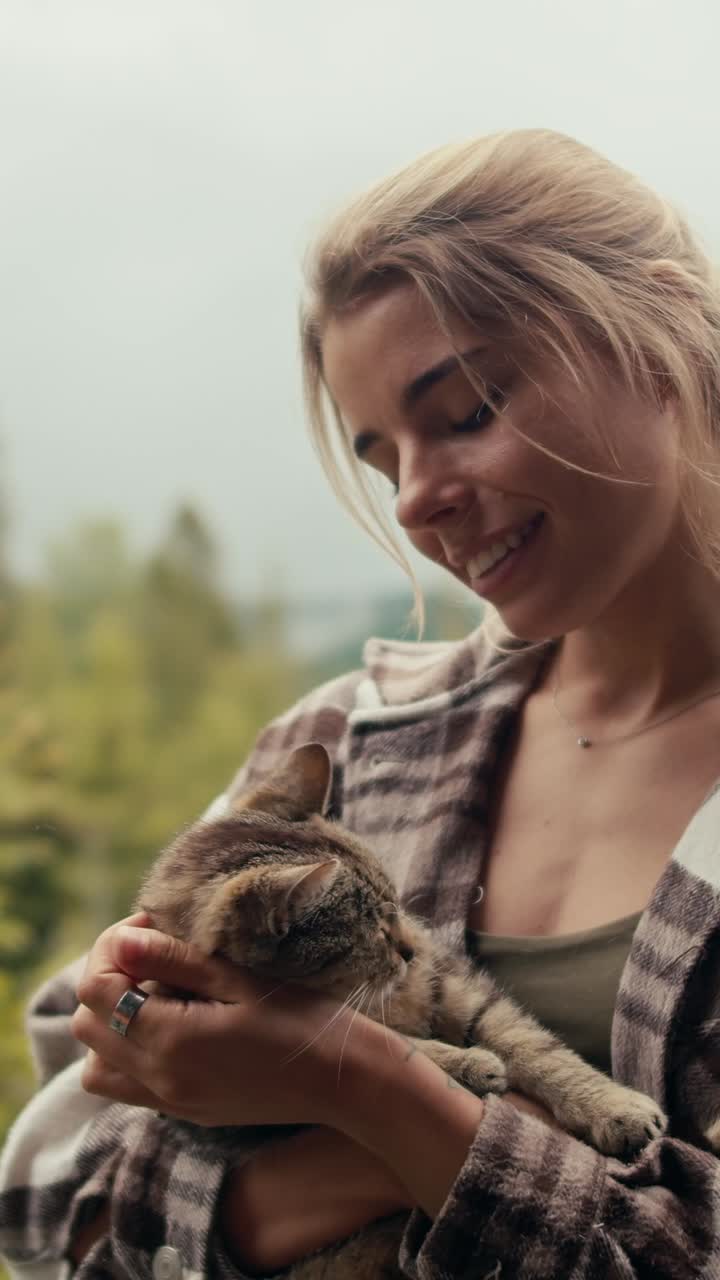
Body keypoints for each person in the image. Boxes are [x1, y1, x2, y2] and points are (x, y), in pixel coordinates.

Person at [2, 126, 720, 1279]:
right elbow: (47, 1193)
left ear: (667, 331)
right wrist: (392, 1151)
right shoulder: (346, 740)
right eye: (383, 461)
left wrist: (380, 1100)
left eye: (469, 407)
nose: (420, 501)